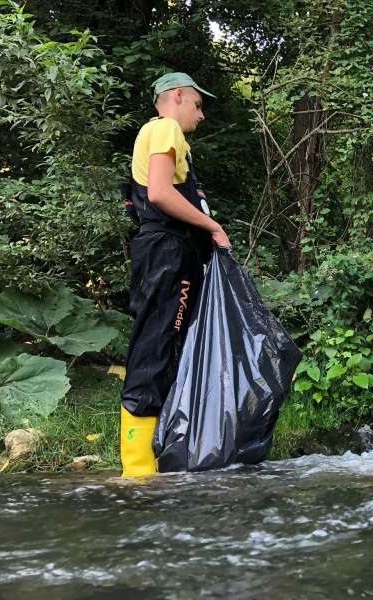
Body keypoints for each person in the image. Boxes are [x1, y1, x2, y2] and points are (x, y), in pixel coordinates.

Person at [120, 72, 230, 477]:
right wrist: (213, 227)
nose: (201, 116)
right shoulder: (165, 128)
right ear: (178, 96)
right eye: (198, 105)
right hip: (166, 252)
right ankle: (136, 472)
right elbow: (161, 194)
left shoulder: (160, 135)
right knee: (155, 349)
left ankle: (154, 460)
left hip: (170, 253)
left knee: (165, 350)